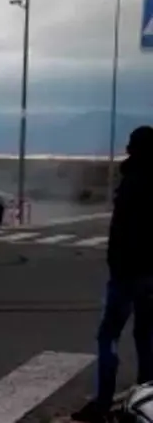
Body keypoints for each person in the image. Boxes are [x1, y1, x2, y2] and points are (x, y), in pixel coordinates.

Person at [72, 126, 153, 423]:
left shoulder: (132, 182)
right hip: (150, 275)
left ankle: (103, 403)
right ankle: (147, 397)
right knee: (146, 336)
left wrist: (116, 266)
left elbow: (122, 232)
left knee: (109, 336)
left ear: (133, 148)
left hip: (127, 274)